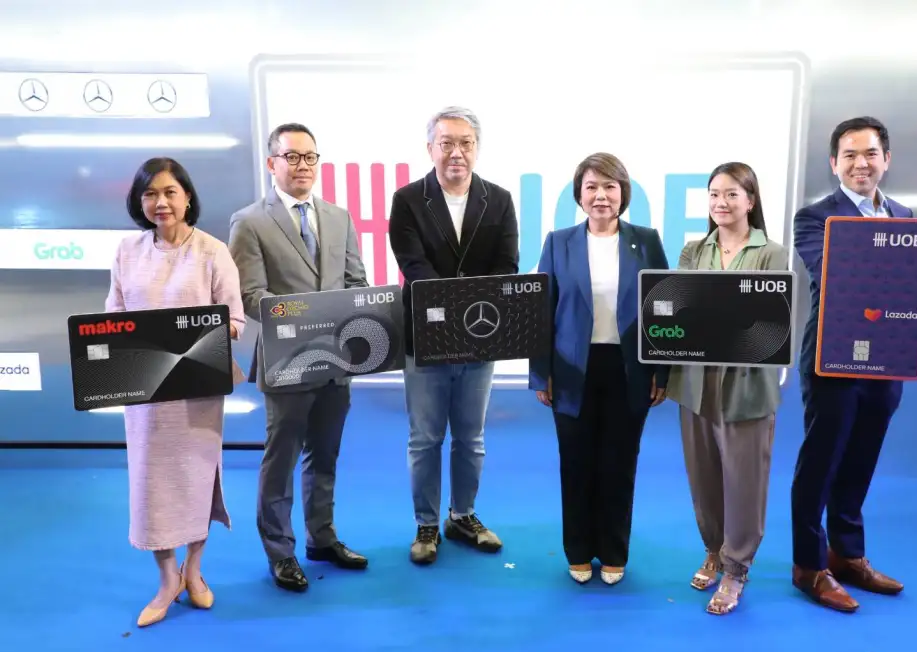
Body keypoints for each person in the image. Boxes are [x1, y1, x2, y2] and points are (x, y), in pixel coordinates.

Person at [228, 122, 369, 593]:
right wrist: (306, 318)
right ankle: (280, 552)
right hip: (286, 362)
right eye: (292, 157)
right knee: (281, 460)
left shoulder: (338, 217)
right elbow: (250, 296)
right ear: (272, 163)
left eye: (310, 157)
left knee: (325, 455)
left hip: (337, 362)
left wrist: (353, 312)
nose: (302, 165)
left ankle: (321, 538)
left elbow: (356, 283)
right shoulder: (250, 221)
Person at [107, 157, 246, 627]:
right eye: (150, 194)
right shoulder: (126, 251)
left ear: (187, 197)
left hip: (197, 388)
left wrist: (204, 336)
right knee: (152, 485)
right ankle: (168, 579)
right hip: (145, 391)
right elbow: (112, 318)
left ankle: (195, 570)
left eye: (170, 192)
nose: (160, 202)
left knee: (195, 479)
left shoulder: (212, 251)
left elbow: (235, 319)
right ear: (139, 202)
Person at [529, 152, 669, 585]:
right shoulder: (558, 242)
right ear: (579, 195)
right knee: (575, 463)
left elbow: (664, 308)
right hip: (572, 368)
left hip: (629, 368)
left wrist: (662, 371)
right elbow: (542, 310)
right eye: (591, 187)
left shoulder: (646, 241)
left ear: (623, 192)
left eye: (610, 186)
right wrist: (541, 372)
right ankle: (577, 550)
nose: (601, 195)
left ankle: (612, 551)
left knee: (619, 464)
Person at [388, 106, 519, 564]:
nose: (456, 153)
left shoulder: (499, 199)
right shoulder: (408, 200)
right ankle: (426, 523)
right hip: (425, 337)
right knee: (425, 437)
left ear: (476, 148)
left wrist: (470, 311)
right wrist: (458, 307)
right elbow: (413, 265)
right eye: (447, 143)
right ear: (431, 149)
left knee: (471, 437)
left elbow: (506, 265)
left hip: (481, 336)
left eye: (465, 143)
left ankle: (462, 515)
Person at [791, 116, 909, 612]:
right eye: (850, 155)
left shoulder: (904, 216)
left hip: (887, 360)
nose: (861, 163)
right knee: (820, 464)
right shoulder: (815, 218)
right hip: (832, 358)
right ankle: (808, 565)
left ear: (886, 159)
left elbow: (910, 286)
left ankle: (847, 555)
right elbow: (836, 275)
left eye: (870, 154)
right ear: (834, 163)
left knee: (861, 460)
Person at [665, 162, 787, 614]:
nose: (721, 202)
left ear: (750, 201)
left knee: (744, 481)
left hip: (746, 385)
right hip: (695, 383)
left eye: (732, 194)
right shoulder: (693, 251)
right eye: (714, 194)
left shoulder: (770, 253)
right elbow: (680, 312)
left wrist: (715, 320)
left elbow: (770, 323)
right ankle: (713, 550)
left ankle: (737, 568)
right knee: (704, 477)